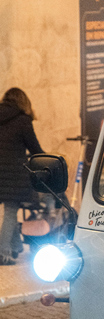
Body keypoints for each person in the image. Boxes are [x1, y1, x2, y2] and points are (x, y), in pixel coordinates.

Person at [0, 88, 44, 265]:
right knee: (11, 211)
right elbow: (35, 149)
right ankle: (4, 253)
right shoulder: (22, 120)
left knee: (11, 210)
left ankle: (16, 247)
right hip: (14, 175)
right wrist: (49, 160)